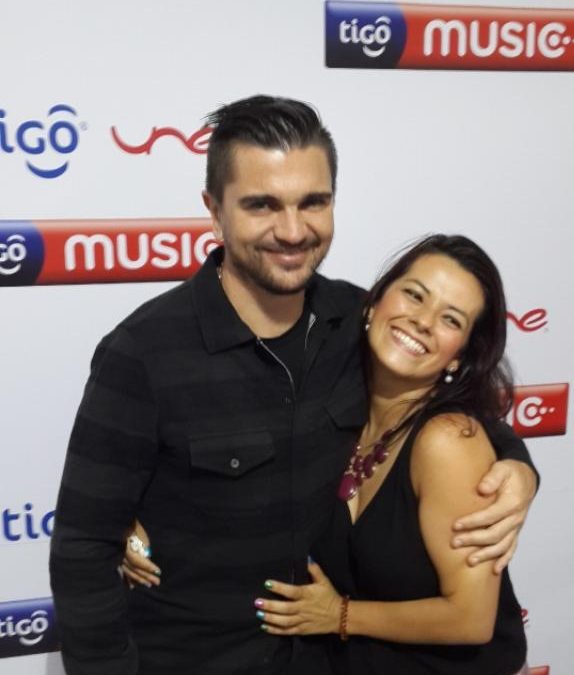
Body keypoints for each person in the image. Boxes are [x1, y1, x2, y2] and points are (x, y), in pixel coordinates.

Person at [49, 96, 537, 675]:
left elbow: (444, 403)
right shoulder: (143, 354)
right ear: (214, 211)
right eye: (262, 204)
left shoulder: (357, 321)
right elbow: (83, 547)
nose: (292, 230)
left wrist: (517, 465)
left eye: (313, 202)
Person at [250, 235, 530, 674]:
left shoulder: (448, 441)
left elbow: (471, 619)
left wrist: (339, 615)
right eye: (415, 295)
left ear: (459, 357)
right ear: (373, 304)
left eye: (450, 319)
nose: (422, 321)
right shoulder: (336, 405)